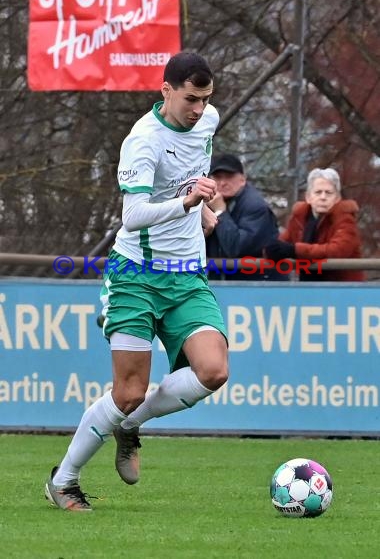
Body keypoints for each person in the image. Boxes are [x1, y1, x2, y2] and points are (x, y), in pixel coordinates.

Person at [45, 52, 229, 511]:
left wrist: (203, 208)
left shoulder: (208, 121)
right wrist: (187, 204)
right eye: (190, 98)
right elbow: (132, 217)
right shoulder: (142, 140)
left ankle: (129, 427)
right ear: (165, 90)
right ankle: (64, 481)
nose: (199, 109)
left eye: (205, 99)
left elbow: (189, 177)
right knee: (126, 393)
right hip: (137, 277)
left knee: (213, 371)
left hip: (187, 274)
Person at [265, 167, 365, 281]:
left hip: (341, 289)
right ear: (308, 197)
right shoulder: (300, 216)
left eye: (328, 193)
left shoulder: (345, 218)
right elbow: (284, 243)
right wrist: (273, 249)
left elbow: (336, 251)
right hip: (308, 287)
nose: (323, 197)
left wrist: (295, 250)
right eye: (318, 192)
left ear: (337, 198)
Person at [205, 153, 288, 281]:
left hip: (259, 285)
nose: (222, 183)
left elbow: (236, 248)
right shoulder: (209, 203)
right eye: (217, 177)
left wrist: (220, 212)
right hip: (226, 282)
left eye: (229, 177)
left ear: (242, 180)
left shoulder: (255, 205)